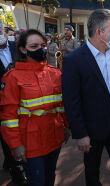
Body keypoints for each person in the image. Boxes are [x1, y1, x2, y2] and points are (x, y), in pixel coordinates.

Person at [62, 9, 110, 186]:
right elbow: (71, 101)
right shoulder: (74, 60)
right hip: (92, 127)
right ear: (99, 32)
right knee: (92, 169)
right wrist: (80, 134)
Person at [0, 29, 70, 186]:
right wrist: (16, 145)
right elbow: (8, 117)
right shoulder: (12, 77)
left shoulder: (55, 73)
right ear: (23, 49)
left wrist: (67, 125)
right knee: (37, 181)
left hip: (54, 137)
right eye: (34, 46)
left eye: (43, 45)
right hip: (29, 143)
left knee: (50, 177)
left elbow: (61, 105)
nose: (41, 49)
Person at [0, 23, 28, 185]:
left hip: (21, 99)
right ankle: (17, 170)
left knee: (20, 132)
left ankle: (9, 160)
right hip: (3, 103)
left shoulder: (16, 47)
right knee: (6, 133)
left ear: (4, 31)